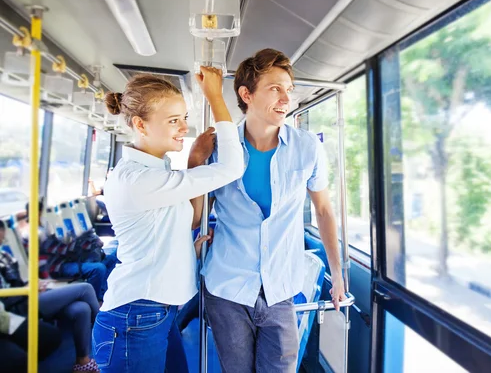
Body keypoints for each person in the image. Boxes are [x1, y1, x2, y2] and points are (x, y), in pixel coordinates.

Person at [201, 48, 345, 372]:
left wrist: (337, 273)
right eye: (275, 89)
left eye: (288, 90)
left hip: (280, 289)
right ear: (246, 94)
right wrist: (194, 162)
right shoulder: (219, 149)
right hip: (228, 289)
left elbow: (323, 210)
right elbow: (196, 214)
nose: (285, 99)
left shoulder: (307, 148)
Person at [92, 69, 244, 373]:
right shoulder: (138, 179)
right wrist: (215, 96)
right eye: (173, 120)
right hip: (135, 317)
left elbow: (191, 219)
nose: (184, 128)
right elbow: (231, 168)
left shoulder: (159, 170)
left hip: (156, 311)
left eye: (184, 118)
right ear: (140, 124)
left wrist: (186, 250)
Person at [0, 220, 100, 372]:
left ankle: (82, 361)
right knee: (85, 288)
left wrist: (36, 284)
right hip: (22, 301)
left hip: (29, 292)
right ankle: (104, 328)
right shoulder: (32, 234)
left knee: (81, 309)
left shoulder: (4, 256)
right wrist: (29, 289)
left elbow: (20, 280)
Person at [19, 200, 117, 303]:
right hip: (55, 268)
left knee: (111, 259)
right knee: (98, 268)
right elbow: (57, 250)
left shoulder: (45, 228)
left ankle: (102, 295)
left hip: (63, 261)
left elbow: (62, 247)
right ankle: (94, 300)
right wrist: (80, 246)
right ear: (38, 212)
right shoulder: (34, 233)